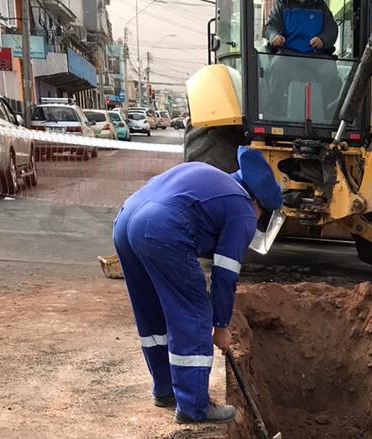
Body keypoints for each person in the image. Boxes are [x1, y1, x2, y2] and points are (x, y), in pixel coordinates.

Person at [113, 148, 283, 424]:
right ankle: (193, 406)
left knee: (151, 310)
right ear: (259, 203)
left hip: (125, 220)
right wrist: (220, 325)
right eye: (261, 215)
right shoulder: (243, 209)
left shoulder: (216, 181)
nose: (256, 222)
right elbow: (225, 273)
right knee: (193, 313)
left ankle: (165, 389)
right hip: (161, 228)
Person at [263, 0, 338, 56]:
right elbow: (271, 26)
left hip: (316, 55)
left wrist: (323, 39)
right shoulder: (281, 3)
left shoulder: (321, 6)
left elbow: (331, 29)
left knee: (329, 70)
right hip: (286, 55)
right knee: (276, 68)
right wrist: (274, 36)